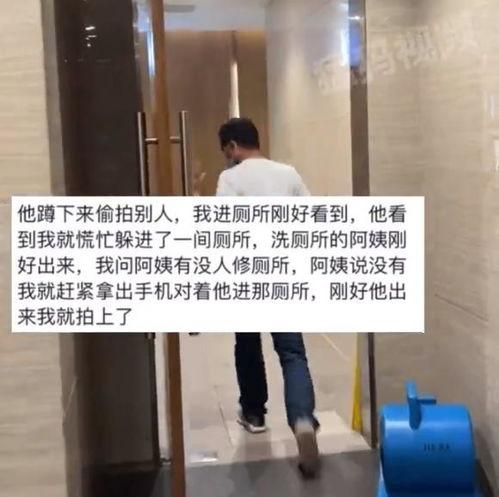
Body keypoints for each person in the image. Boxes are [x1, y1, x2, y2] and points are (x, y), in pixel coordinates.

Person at [215, 117, 320, 478]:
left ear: (232, 147)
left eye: (226, 151)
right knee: (292, 353)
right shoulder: (288, 174)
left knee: (247, 344)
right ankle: (303, 420)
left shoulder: (230, 179)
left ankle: (254, 414)